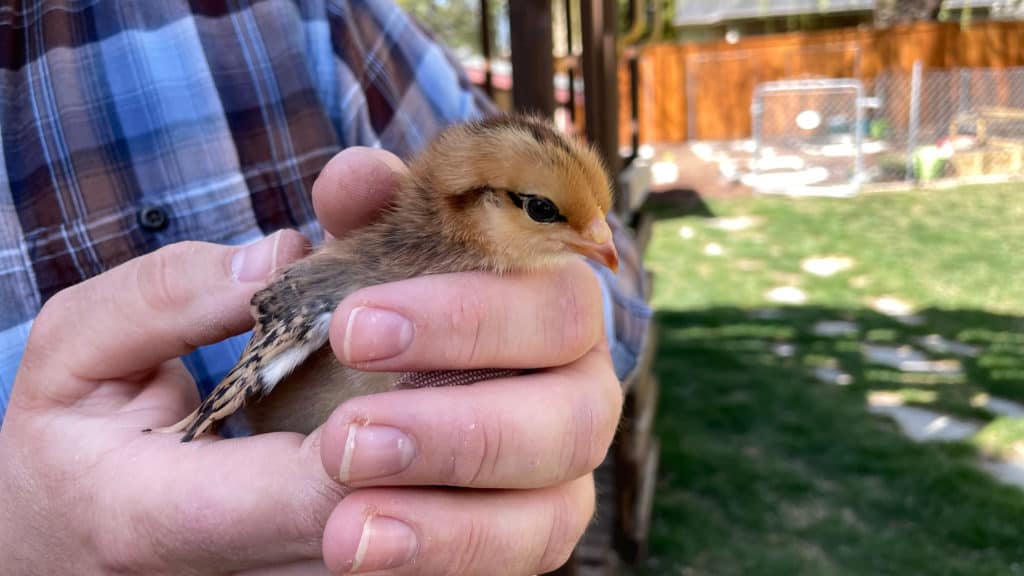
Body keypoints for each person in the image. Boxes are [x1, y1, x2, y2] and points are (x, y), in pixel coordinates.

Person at [0, 1, 650, 574]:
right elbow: (234, 396)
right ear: (466, 204)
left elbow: (620, 308)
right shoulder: (338, 287)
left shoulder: (325, 15)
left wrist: (568, 368)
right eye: (544, 210)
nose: (601, 244)